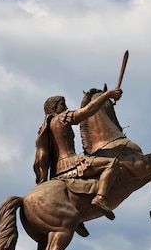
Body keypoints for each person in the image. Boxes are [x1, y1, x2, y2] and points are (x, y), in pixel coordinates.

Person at [34, 88, 123, 220]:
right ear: (54, 107)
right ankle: (100, 198)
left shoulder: (45, 126)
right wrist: (107, 95)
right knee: (112, 163)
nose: (66, 107)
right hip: (72, 163)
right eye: (62, 104)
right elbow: (87, 111)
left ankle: (78, 216)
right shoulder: (61, 118)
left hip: (57, 171)